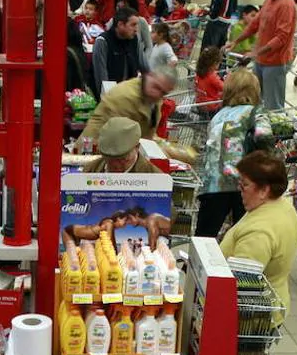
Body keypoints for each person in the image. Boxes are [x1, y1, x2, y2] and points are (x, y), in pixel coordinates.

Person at [219, 151, 297, 355]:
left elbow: (241, 287)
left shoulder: (261, 230)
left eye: (245, 185)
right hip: (275, 300)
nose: (240, 191)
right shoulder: (281, 207)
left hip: (254, 315)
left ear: (265, 189)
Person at [193, 68, 262, 237]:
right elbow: (265, 142)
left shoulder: (218, 116)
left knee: (204, 235)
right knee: (244, 233)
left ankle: (197, 260)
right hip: (242, 183)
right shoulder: (255, 113)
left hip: (214, 183)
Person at [227, 0, 297, 110]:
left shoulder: (286, 5)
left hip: (275, 62)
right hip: (261, 60)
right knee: (254, 100)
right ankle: (258, 130)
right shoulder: (269, 0)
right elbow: (255, 24)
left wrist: (256, 52)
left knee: (273, 105)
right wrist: (236, 41)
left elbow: (281, 38)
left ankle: (273, 131)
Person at [80, 67, 177, 143]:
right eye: (156, 87)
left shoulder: (153, 97)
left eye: (163, 93)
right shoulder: (125, 96)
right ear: (149, 76)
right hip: (95, 149)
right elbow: (117, 138)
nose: (157, 94)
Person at [92, 5, 149, 93]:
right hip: (111, 97)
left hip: (130, 95)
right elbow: (101, 78)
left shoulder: (134, 40)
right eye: (133, 25)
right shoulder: (103, 42)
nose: (136, 29)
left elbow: (145, 68)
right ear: (120, 25)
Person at [83, 117, 164, 173]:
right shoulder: (90, 170)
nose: (116, 166)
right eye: (110, 159)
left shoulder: (154, 178)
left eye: (123, 159)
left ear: (137, 147)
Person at [195, 45, 225, 110]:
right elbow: (224, 88)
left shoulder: (199, 73)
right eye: (219, 63)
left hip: (200, 104)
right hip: (211, 107)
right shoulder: (212, 77)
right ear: (214, 63)